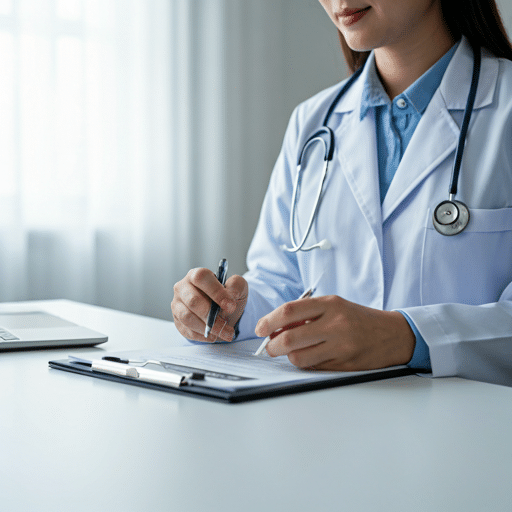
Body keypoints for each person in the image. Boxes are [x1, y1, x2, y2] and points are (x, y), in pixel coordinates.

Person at [172, 0, 512, 387]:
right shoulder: (313, 122)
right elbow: (281, 279)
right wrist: (229, 311)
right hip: (332, 425)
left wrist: (406, 336)